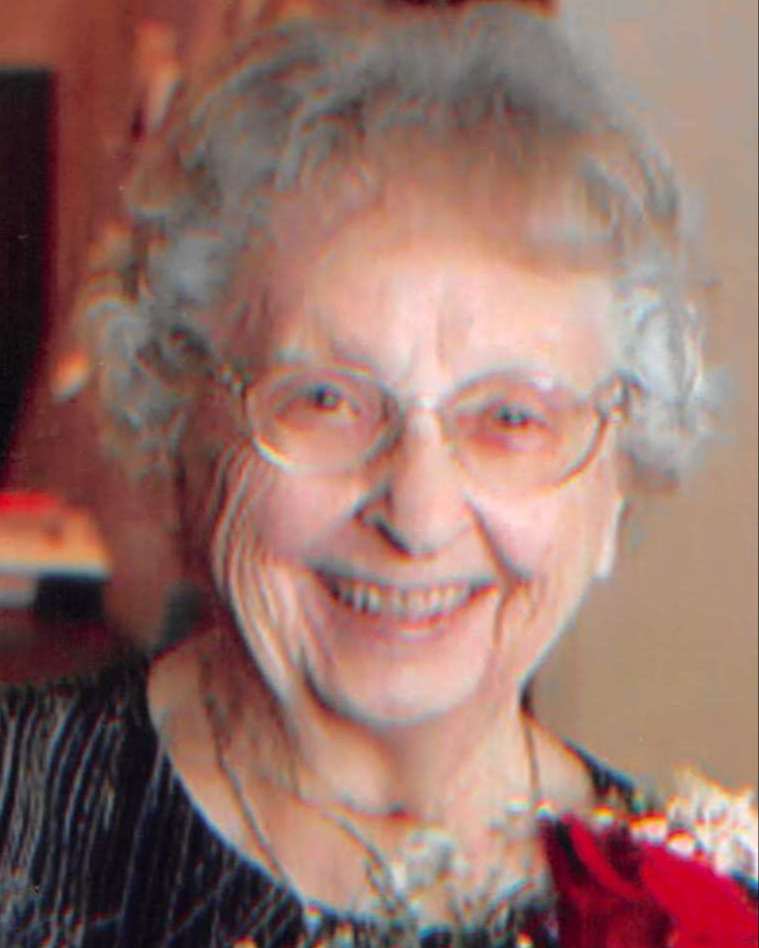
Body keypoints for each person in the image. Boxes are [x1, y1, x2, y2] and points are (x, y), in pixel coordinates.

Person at [0, 1, 756, 945]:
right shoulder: (19, 814)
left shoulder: (700, 911)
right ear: (182, 423)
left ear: (618, 484)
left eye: (510, 418)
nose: (418, 512)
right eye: (326, 400)